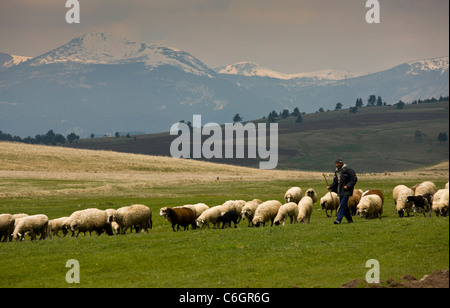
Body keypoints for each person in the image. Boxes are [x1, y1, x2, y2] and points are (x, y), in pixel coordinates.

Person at [327, 158, 358, 224]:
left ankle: (338, 220)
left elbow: (354, 179)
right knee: (345, 206)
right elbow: (335, 182)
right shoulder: (336, 172)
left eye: (338, 163)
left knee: (342, 205)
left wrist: (348, 186)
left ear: (341, 164)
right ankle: (350, 220)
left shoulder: (348, 170)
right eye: (336, 163)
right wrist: (330, 186)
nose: (336, 165)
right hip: (340, 191)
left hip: (346, 191)